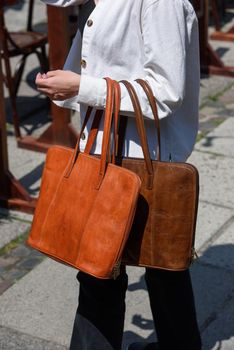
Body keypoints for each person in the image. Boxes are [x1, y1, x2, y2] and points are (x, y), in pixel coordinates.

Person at [36, 0, 202, 349]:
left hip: (153, 161)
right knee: (97, 269)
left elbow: (165, 91)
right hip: (104, 153)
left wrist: (82, 88)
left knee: (164, 271)